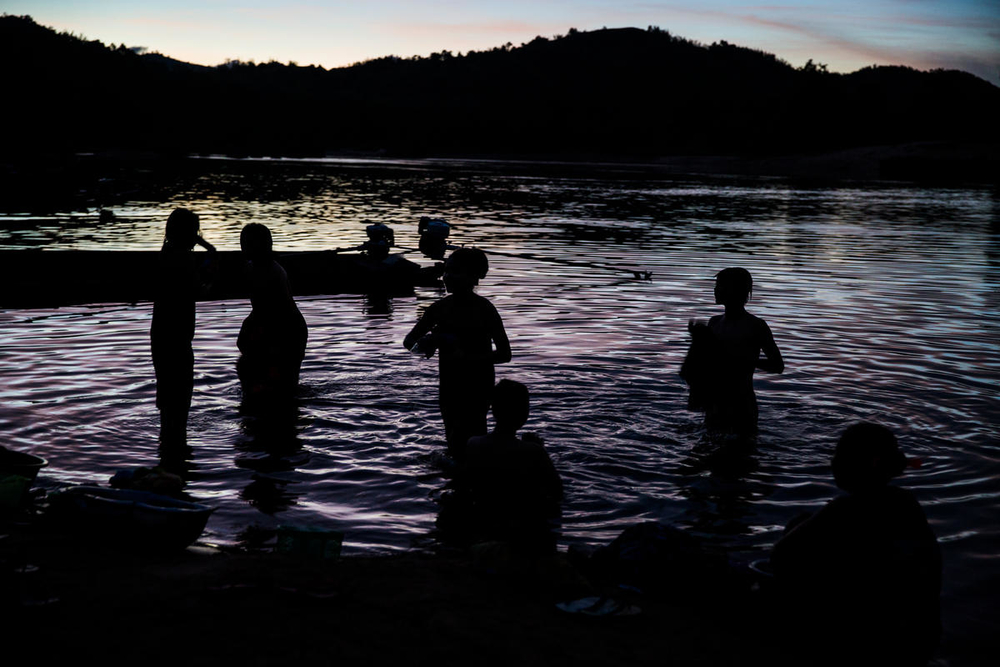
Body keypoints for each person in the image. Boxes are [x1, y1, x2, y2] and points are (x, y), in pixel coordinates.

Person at [770, 422, 941, 665]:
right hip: (921, 639)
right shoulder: (906, 503)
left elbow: (780, 557)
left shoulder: (845, 509)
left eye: (839, 455)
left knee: (796, 529)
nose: (833, 461)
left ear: (865, 463)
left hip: (870, 642)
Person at [403, 247, 511, 457]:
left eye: (456, 272)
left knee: (473, 435)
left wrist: (468, 358)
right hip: (450, 385)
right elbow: (409, 341)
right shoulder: (438, 309)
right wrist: (429, 343)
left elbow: (505, 354)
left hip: (478, 386)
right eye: (447, 271)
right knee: (453, 436)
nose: (447, 277)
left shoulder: (484, 309)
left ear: (475, 277)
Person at [455, 379, 562, 552]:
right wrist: (539, 448)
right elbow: (557, 491)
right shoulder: (534, 452)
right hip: (520, 524)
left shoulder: (473, 444)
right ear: (524, 414)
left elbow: (465, 480)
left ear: (493, 410)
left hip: (484, 517)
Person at [682, 267, 783, 433]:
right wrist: (698, 341)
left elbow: (777, 365)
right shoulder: (714, 322)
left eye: (720, 285)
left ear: (733, 289)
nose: (715, 289)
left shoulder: (755, 325)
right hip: (715, 403)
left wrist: (743, 360)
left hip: (742, 405)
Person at [150, 207, 215, 445]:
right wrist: (210, 254)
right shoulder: (186, 258)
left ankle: (167, 452)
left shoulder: (165, 253)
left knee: (167, 399)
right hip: (178, 338)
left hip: (160, 335)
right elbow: (200, 290)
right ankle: (178, 454)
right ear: (190, 233)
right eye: (195, 231)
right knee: (181, 399)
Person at [237, 223, 308, 401]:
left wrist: (248, 332)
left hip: (288, 330)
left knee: (280, 388)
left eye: (248, 244)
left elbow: (268, 311)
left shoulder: (270, 272)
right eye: (242, 243)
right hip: (276, 327)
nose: (243, 248)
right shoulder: (254, 267)